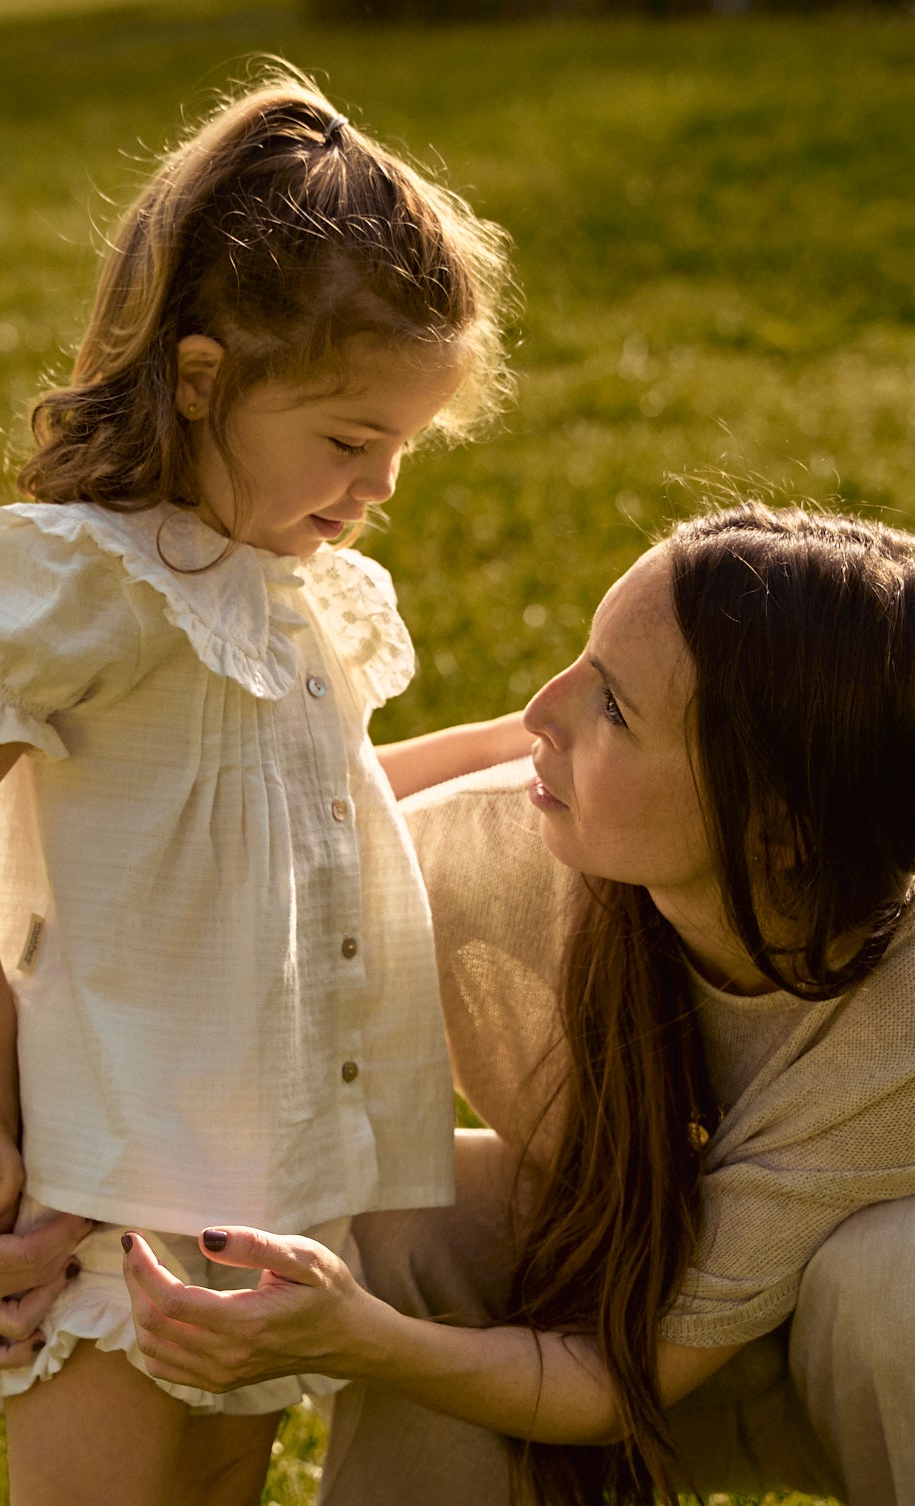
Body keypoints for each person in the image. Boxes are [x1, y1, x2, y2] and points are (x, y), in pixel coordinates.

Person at [0, 63, 527, 1506]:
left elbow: (311, 811)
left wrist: (499, 747)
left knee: (225, 1480)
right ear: (202, 378)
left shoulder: (290, 591)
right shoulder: (93, 577)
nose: (380, 484)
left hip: (263, 1177)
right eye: (349, 441)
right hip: (112, 1179)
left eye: (404, 447)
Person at [114, 498, 915, 1504]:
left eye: (613, 708)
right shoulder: (491, 852)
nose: (538, 711)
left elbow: (615, 1385)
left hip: (858, 1372)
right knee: (389, 1210)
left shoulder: (898, 1023)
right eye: (583, 661)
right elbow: (152, 964)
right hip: (653, 1319)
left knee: (891, 1274)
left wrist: (364, 1338)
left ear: (780, 831)